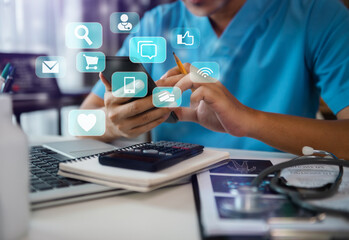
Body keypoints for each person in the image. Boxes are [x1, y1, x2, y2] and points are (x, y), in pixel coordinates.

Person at [81, 0, 349, 159]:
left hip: (279, 190)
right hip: (167, 192)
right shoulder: (156, 23)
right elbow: (83, 121)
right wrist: (116, 124)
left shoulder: (318, 15)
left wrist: (249, 121)